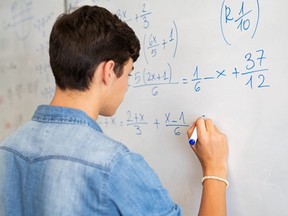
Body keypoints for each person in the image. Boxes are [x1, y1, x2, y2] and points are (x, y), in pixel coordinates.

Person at [0, 5, 228, 216]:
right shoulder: (114, 165)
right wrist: (215, 169)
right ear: (108, 71)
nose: (127, 86)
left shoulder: (8, 148)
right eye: (128, 74)